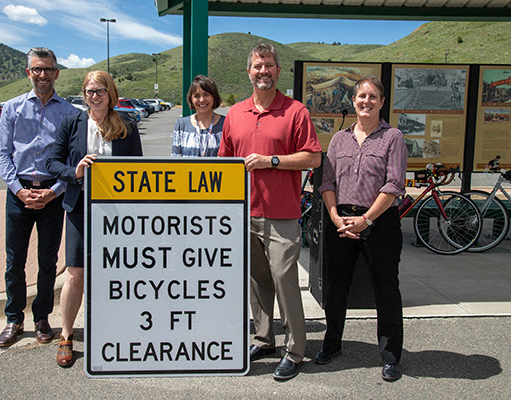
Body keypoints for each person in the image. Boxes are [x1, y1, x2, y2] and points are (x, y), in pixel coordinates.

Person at [219, 43, 321, 381]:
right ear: (248, 72)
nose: (263, 71)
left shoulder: (295, 111)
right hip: (244, 213)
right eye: (257, 66)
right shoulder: (234, 114)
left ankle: (295, 350)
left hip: (282, 215)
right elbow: (224, 163)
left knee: (284, 280)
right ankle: (264, 339)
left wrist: (272, 161)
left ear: (278, 71)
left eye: (269, 66)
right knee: (257, 281)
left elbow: (312, 157)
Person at [47, 70, 143, 367]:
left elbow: (139, 171)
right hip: (79, 207)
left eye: (100, 90)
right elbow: (52, 162)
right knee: (75, 274)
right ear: (84, 94)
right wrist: (74, 171)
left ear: (110, 93)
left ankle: (113, 330)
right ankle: (66, 335)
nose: (95, 96)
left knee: (115, 273)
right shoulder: (72, 123)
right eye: (90, 91)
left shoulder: (127, 125)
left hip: (116, 212)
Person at [316, 76, 408, 382]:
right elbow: (327, 183)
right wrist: (334, 216)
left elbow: (393, 184)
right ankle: (332, 345)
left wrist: (367, 219)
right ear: (353, 101)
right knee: (336, 286)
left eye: (372, 97)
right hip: (340, 222)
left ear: (382, 102)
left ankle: (391, 355)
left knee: (386, 288)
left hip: (379, 223)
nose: (366, 101)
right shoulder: (339, 140)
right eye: (361, 96)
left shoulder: (392, 137)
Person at [0, 47, 79, 348]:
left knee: (48, 261)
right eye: (37, 69)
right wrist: (19, 190)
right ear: (28, 72)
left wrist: (52, 192)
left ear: (56, 73)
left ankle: (42, 317)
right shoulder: (12, 108)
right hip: (18, 193)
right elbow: (2, 155)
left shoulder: (70, 114)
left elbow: (71, 161)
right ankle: (13, 318)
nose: (43, 75)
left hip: (52, 197)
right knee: (14, 260)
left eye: (48, 69)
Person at [171, 75, 224, 157]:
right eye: (197, 96)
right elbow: (175, 160)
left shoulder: (225, 124)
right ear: (191, 99)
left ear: (214, 97)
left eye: (206, 94)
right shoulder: (181, 125)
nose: (202, 100)